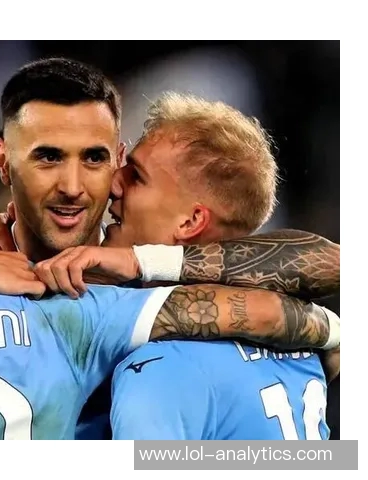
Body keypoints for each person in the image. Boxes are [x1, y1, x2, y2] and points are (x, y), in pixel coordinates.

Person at [0, 59, 340, 437]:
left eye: (97, 160)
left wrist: (133, 262)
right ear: (4, 163)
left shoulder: (128, 288)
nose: (76, 187)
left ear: (116, 160)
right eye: (49, 157)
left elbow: (330, 266)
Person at [31, 92, 339, 439]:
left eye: (137, 176)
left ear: (191, 222)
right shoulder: (300, 350)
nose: (114, 183)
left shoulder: (158, 369)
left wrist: (138, 260)